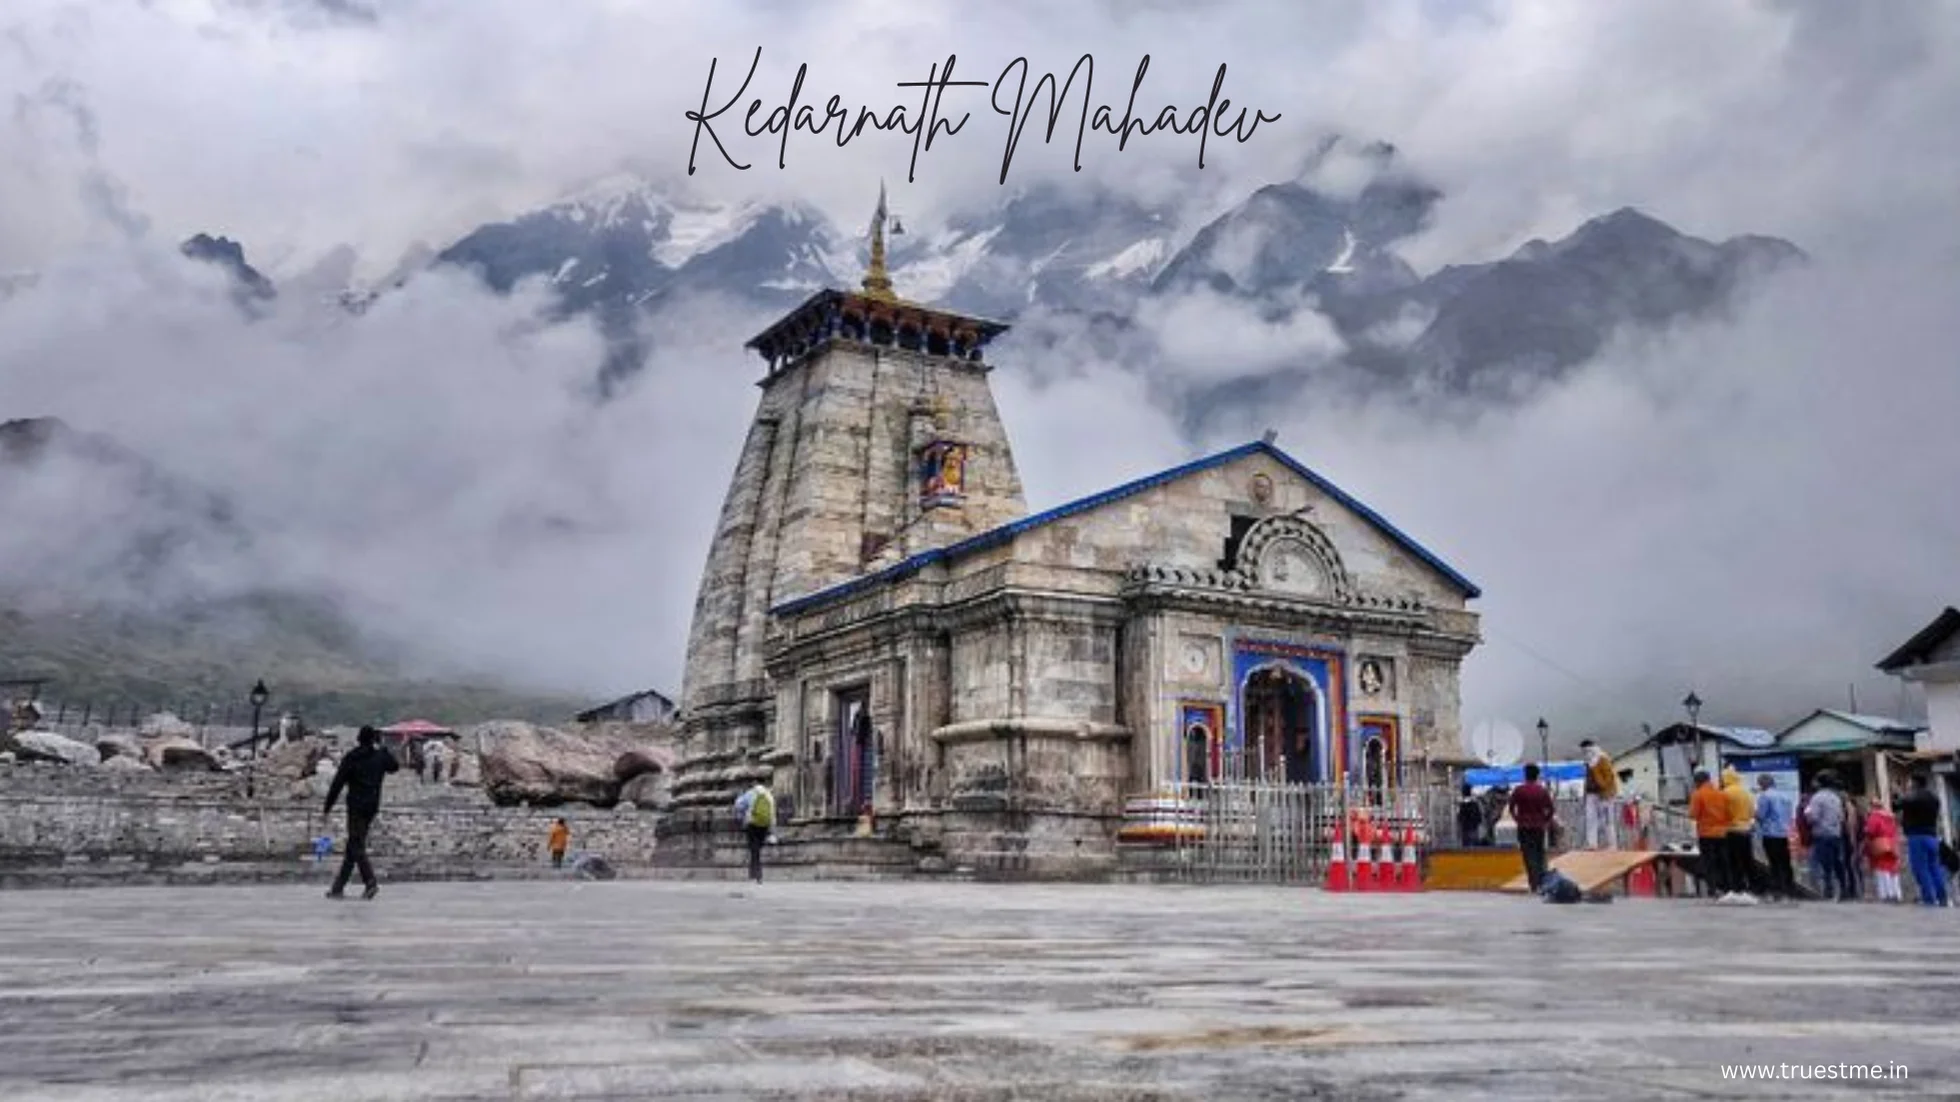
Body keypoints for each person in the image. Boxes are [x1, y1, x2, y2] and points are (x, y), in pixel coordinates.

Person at [321, 726, 400, 901]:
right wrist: (383, 748)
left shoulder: (352, 757)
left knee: (356, 844)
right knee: (354, 845)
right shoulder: (380, 756)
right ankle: (337, 887)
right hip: (371, 806)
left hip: (356, 806)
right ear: (374, 739)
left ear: (358, 739)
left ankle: (370, 881)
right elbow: (395, 767)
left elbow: (337, 783)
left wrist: (327, 807)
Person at [1900, 775, 1950, 907]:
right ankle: (1942, 897)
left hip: (1917, 836)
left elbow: (1899, 804)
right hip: (1932, 836)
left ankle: (1929, 898)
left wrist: (1900, 792)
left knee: (1920, 869)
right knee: (1934, 867)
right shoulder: (1934, 798)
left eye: (1910, 783)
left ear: (1915, 783)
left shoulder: (1913, 798)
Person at [1506, 764, 1556, 893]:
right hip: (1539, 827)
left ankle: (1533, 883)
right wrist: (1545, 821)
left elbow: (1511, 808)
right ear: (1537, 775)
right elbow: (1550, 809)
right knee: (1540, 854)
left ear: (1525, 774)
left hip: (1524, 827)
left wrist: (1518, 819)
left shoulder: (1519, 790)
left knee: (1528, 855)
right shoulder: (1542, 790)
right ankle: (1541, 882)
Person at [1804, 773, 1850, 901]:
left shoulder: (1817, 798)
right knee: (1837, 863)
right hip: (1836, 834)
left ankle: (1828, 890)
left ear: (1819, 784)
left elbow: (1813, 818)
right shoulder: (1835, 798)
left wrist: (1807, 815)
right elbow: (1841, 817)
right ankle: (1844, 889)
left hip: (1822, 834)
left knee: (1825, 864)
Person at [1753, 774, 1796, 901]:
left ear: (1764, 784)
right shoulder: (1785, 796)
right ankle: (1789, 889)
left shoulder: (1765, 796)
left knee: (1774, 863)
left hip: (1770, 833)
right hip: (1783, 833)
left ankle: (1777, 890)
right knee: (1785, 862)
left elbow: (1761, 815)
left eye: (1760, 784)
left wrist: (1754, 814)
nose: (1759, 786)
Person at [1688, 770, 1731, 898]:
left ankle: (1713, 888)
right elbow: (1729, 813)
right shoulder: (1721, 794)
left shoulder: (1698, 794)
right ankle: (1727, 887)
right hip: (1722, 833)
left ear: (1697, 782)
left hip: (1706, 833)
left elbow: (1693, 814)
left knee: (1709, 862)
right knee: (1723, 861)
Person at [1720, 768, 1758, 901]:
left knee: (1733, 862)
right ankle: (1754, 888)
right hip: (1746, 830)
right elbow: (1753, 811)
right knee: (1748, 860)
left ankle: (1737, 888)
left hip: (1731, 830)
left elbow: (1722, 812)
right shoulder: (1746, 792)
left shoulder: (1725, 793)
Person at [733, 779, 777, 884]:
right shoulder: (769, 795)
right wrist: (771, 830)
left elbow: (738, 805)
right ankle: (755, 873)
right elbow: (772, 813)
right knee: (757, 849)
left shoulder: (750, 793)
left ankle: (756, 874)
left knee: (754, 849)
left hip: (752, 824)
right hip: (765, 825)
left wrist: (742, 816)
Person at [1580, 739, 1620, 849]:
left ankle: (1612, 845)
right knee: (1590, 819)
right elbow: (1588, 779)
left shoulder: (1603, 759)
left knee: (1607, 820)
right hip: (1591, 793)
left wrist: (1605, 790)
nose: (1585, 753)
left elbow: (1609, 778)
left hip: (1604, 794)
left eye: (1586, 750)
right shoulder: (1589, 762)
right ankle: (1592, 844)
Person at [1862, 797, 1903, 903]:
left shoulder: (1874, 817)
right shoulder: (1890, 817)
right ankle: (1897, 894)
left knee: (1882, 870)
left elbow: (1870, 831)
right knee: (1893, 871)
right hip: (1892, 844)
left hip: (1880, 845)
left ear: (1872, 807)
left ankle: (1886, 894)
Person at [1456, 782, 1485, 848]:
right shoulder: (1474, 803)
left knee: (1466, 844)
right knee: (1474, 843)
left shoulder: (1461, 804)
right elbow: (1479, 815)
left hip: (1465, 827)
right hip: (1473, 826)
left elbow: (1459, 816)